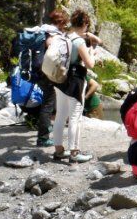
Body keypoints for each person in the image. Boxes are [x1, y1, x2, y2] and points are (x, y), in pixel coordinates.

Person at [51, 9, 96, 163]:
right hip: (75, 81)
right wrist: (93, 53)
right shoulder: (79, 41)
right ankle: (74, 153)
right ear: (84, 23)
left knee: (60, 116)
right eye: (87, 25)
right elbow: (90, 64)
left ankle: (58, 150)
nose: (87, 28)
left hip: (60, 78)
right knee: (75, 117)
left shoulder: (65, 36)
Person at [31, 9, 70, 148]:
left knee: (47, 102)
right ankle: (43, 138)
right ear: (60, 22)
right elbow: (52, 48)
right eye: (64, 23)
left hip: (38, 70)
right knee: (48, 103)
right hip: (45, 72)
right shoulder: (52, 34)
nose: (65, 26)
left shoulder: (42, 30)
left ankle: (44, 127)